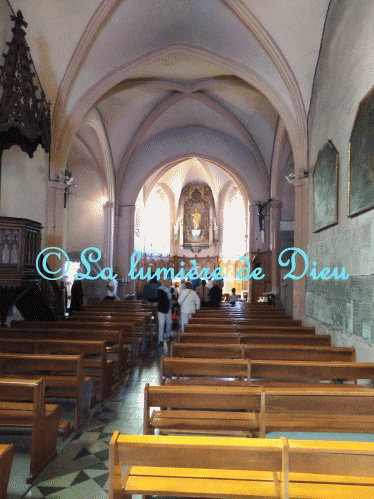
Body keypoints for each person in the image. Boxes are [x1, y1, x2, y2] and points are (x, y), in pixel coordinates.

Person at [157, 277, 173, 345]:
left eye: (168, 281)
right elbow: (161, 299)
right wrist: (170, 301)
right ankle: (160, 339)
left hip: (169, 308)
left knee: (169, 323)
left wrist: (173, 301)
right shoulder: (160, 289)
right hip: (161, 309)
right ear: (163, 282)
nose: (167, 282)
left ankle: (168, 335)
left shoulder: (171, 289)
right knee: (161, 324)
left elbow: (174, 296)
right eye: (166, 281)